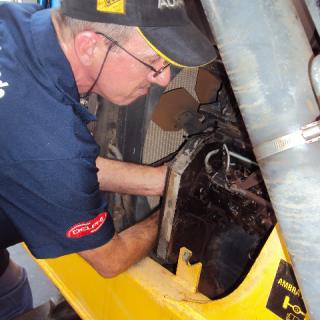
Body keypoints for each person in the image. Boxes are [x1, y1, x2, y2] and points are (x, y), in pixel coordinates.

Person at [0, 0, 216, 318]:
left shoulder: (16, 17)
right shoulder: (50, 147)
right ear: (90, 46)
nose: (164, 78)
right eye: (153, 61)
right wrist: (180, 205)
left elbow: (46, 167)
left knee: (9, 282)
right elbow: (110, 259)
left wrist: (164, 181)